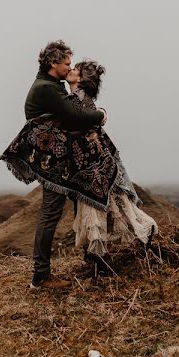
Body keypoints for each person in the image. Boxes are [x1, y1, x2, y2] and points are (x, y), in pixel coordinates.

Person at [0, 40, 107, 289]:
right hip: (54, 165)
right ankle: (41, 275)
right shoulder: (48, 88)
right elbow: (76, 115)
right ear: (53, 63)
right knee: (50, 214)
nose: (70, 67)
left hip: (58, 162)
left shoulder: (50, 85)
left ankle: (92, 261)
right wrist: (101, 114)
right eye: (67, 63)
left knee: (80, 205)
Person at [64, 60, 158, 278]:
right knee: (108, 210)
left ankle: (99, 263)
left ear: (81, 79)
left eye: (74, 69)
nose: (70, 70)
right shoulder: (80, 101)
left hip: (94, 167)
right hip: (92, 165)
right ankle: (98, 261)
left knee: (97, 212)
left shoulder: (79, 101)